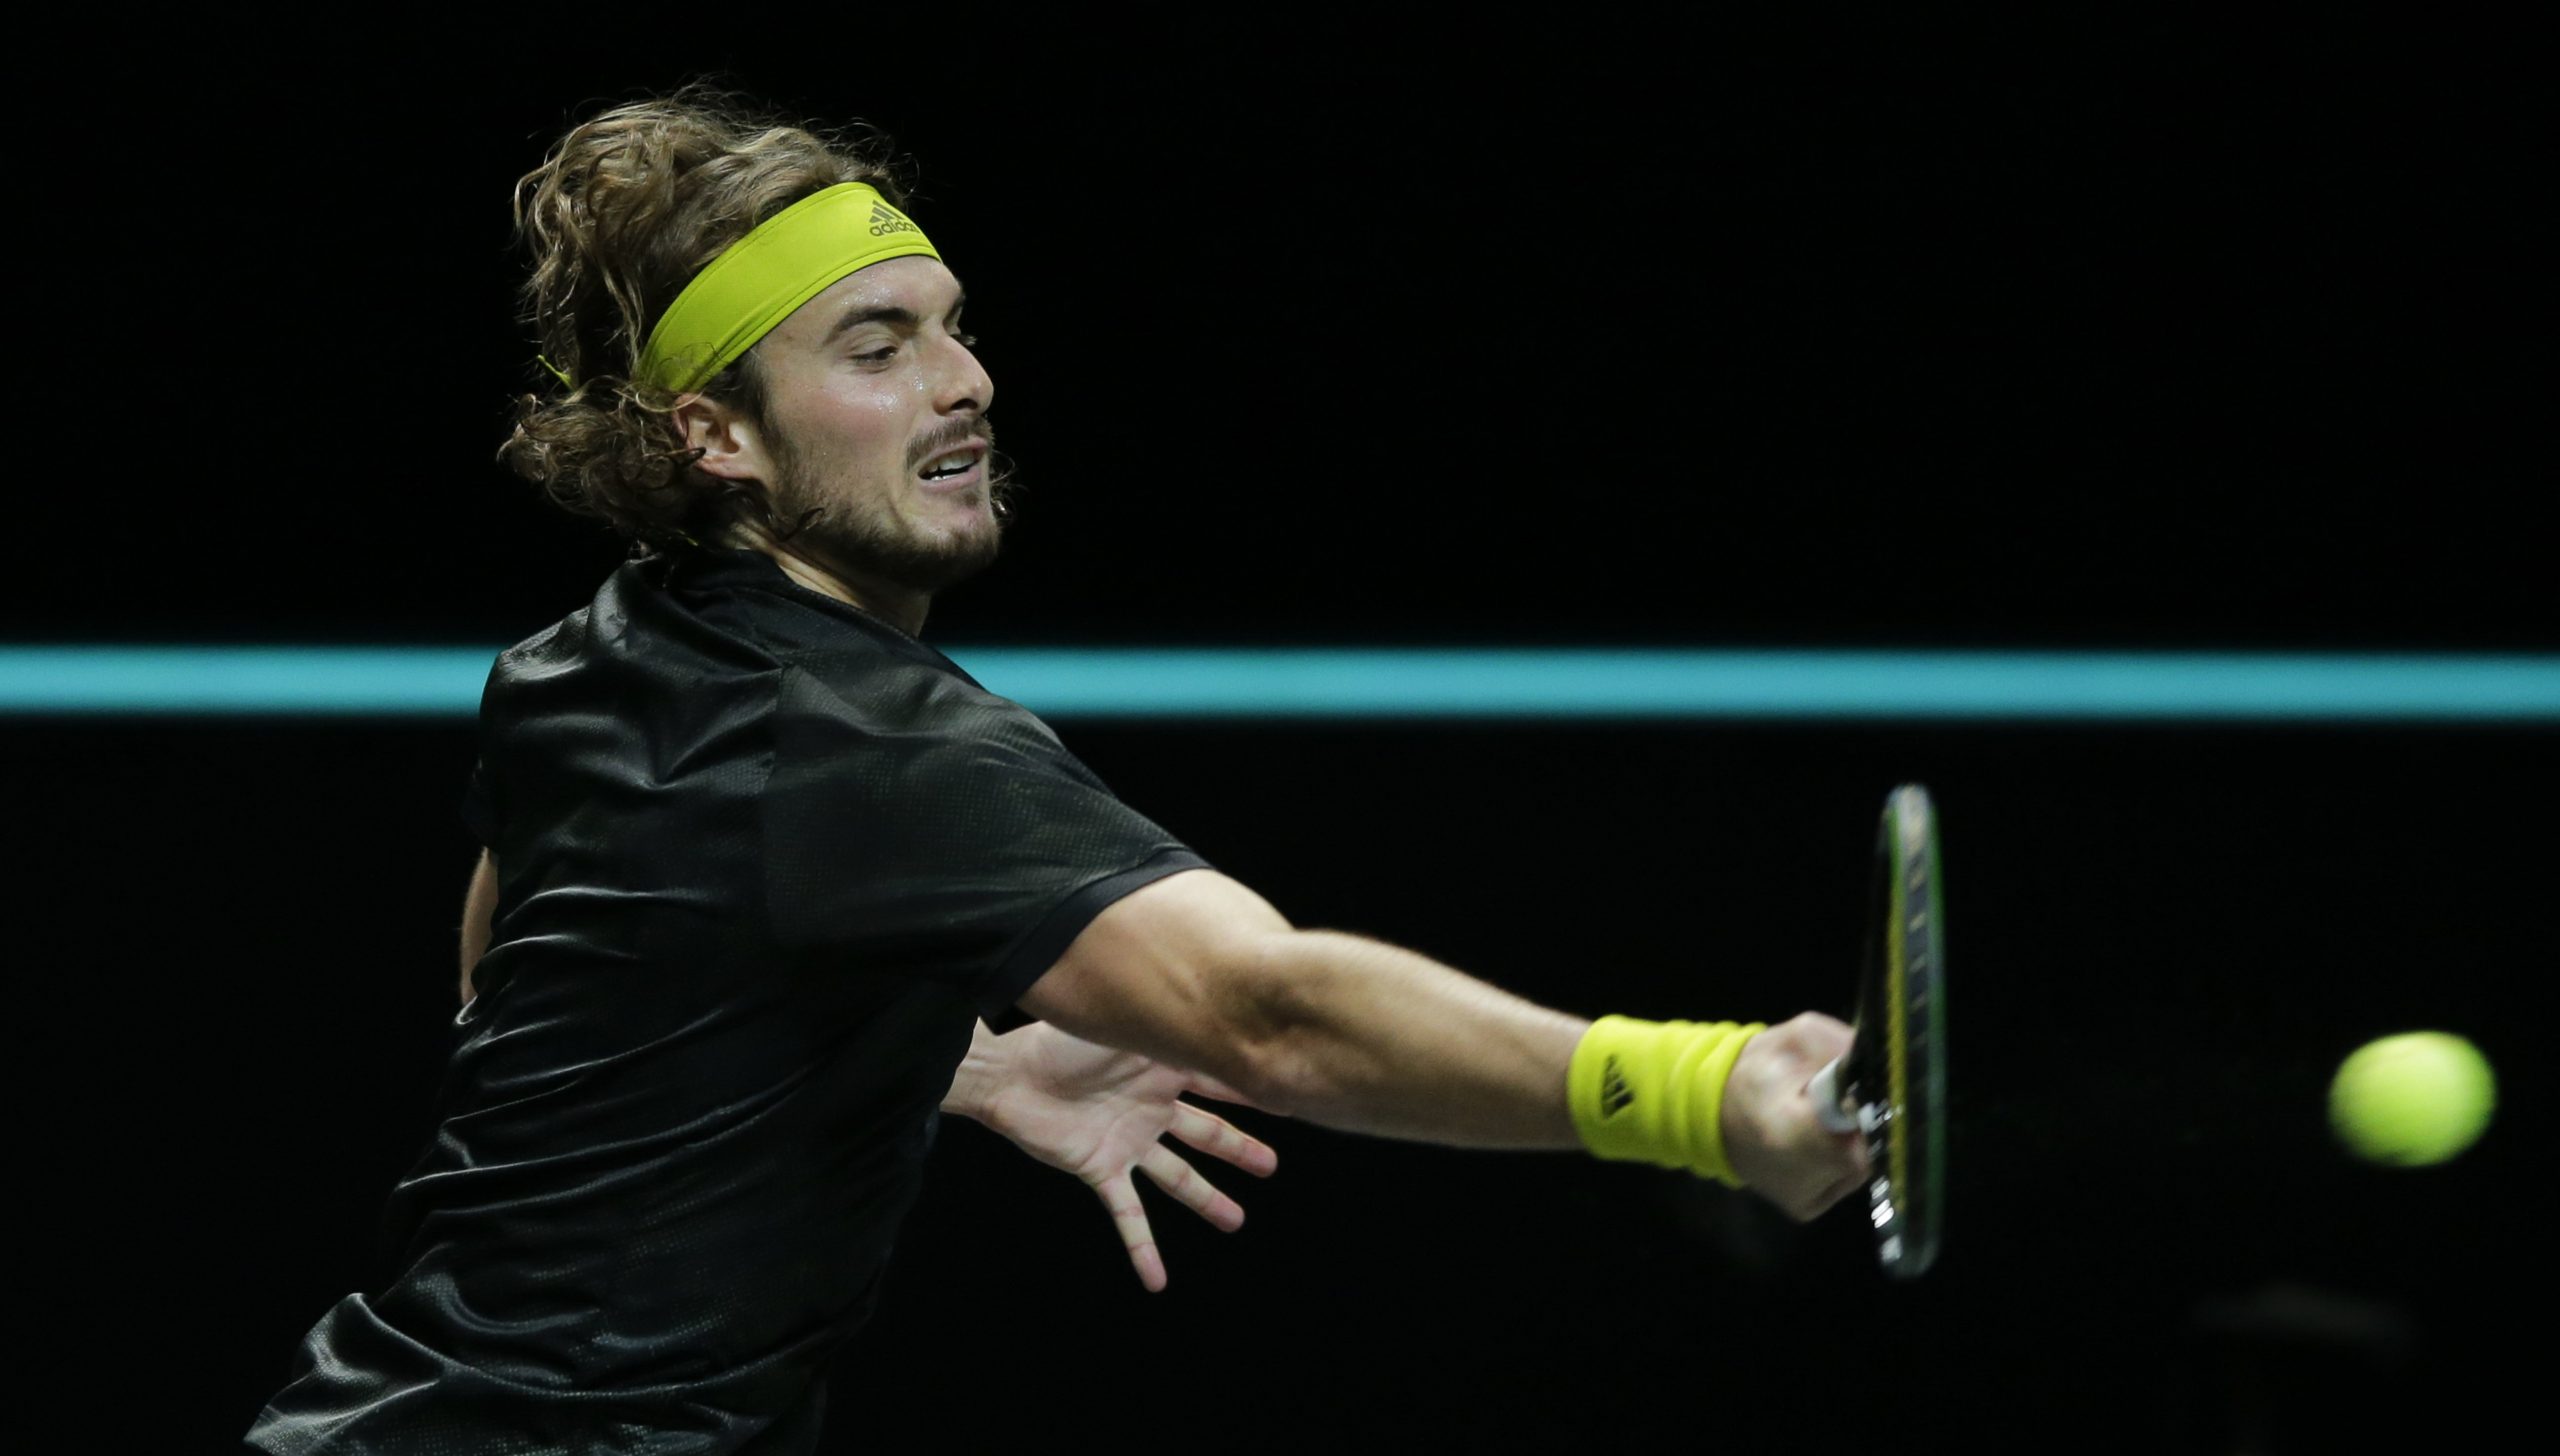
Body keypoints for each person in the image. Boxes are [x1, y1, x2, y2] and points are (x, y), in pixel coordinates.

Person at [245, 87, 1867, 1455]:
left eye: (954, 330)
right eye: (876, 347)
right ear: (715, 435)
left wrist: (951, 1063)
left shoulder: (586, 661)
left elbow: (504, 979)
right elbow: (1269, 1011)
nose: (963, 383)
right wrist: (1701, 1098)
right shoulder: (868, 742)